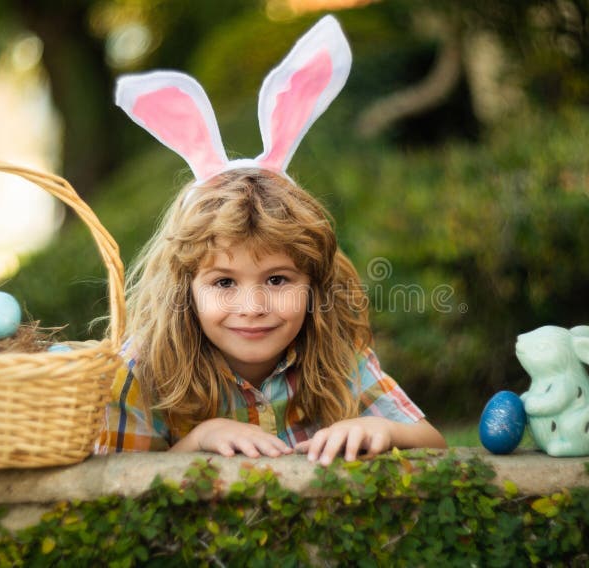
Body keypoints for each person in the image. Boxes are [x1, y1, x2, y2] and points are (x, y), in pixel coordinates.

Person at [94, 16, 447, 464]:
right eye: (224, 282)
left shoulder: (337, 358)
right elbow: (112, 484)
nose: (254, 305)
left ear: (314, 284)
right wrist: (199, 439)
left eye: (278, 280)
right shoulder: (144, 371)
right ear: (184, 288)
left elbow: (434, 441)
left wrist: (382, 427)